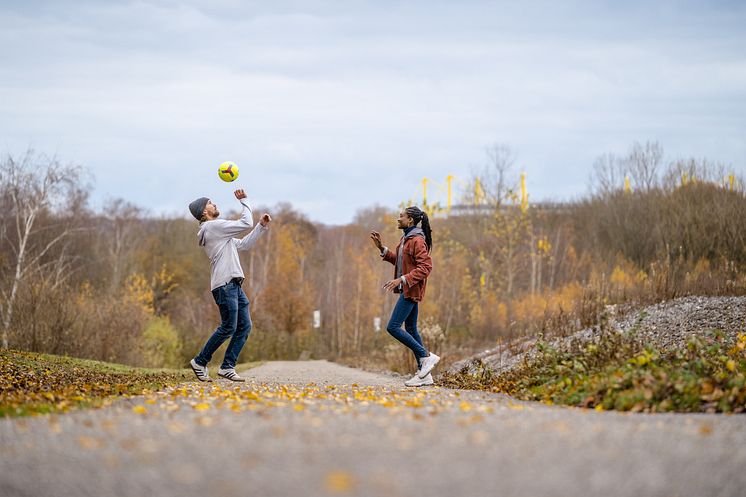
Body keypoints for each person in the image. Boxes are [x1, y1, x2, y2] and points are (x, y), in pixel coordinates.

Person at [187, 189, 271, 382]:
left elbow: (243, 245)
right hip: (225, 285)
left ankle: (227, 367)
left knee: (244, 326)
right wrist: (244, 200)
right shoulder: (212, 227)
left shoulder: (218, 233)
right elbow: (245, 222)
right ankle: (200, 361)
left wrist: (260, 227)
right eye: (210, 202)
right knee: (228, 327)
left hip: (233, 285)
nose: (214, 204)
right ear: (203, 212)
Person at [370, 206, 439, 387]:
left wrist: (401, 279)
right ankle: (425, 375)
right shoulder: (406, 239)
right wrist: (382, 249)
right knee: (411, 328)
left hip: (411, 290)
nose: (398, 219)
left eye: (401, 216)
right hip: (408, 289)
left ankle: (425, 356)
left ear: (410, 220)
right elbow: (402, 261)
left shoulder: (417, 240)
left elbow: (426, 267)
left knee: (392, 327)